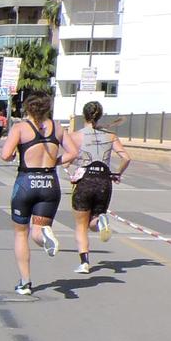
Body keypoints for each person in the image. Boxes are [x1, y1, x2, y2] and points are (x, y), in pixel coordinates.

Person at [0, 93, 63, 297]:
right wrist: (56, 161)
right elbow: (73, 152)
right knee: (38, 230)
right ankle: (45, 238)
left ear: (27, 107)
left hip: (27, 181)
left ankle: (25, 283)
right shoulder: (58, 127)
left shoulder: (20, 128)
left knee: (21, 233)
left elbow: (5, 155)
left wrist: (14, 154)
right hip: (50, 183)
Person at [62, 101, 124, 274]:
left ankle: (84, 262)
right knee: (93, 220)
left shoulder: (75, 136)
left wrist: (66, 165)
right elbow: (127, 157)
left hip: (85, 182)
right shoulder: (111, 136)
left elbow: (68, 158)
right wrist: (117, 173)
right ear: (100, 115)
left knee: (81, 225)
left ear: (84, 115)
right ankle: (101, 221)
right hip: (104, 182)